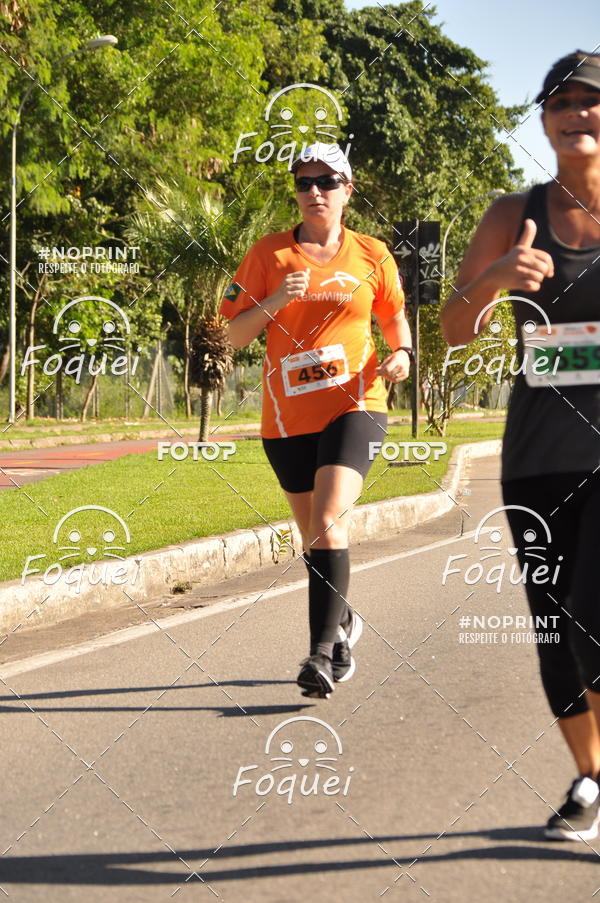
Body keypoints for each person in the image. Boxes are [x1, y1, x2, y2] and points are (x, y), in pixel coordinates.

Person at [441, 51, 600, 841]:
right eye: (562, 102)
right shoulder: (514, 210)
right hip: (538, 455)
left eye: (592, 101)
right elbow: (452, 326)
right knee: (553, 630)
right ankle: (590, 777)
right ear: (543, 119)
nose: (577, 113)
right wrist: (498, 274)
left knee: (595, 619)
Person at [220, 142, 412, 697]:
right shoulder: (268, 254)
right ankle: (343, 621)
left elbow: (396, 325)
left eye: (326, 182)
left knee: (329, 518)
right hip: (286, 419)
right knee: (313, 539)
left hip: (357, 405)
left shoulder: (373, 254)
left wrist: (401, 356)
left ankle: (320, 655)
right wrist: (277, 298)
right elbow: (231, 336)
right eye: (304, 183)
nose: (314, 192)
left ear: (348, 189)